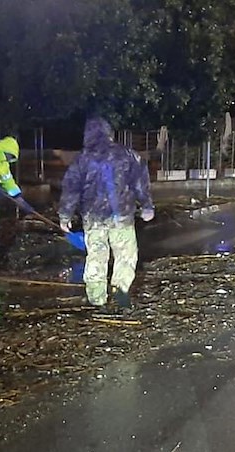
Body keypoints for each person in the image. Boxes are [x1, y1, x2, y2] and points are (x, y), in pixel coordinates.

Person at [59, 117, 154, 309]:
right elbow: (140, 182)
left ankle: (97, 299)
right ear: (109, 133)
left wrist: (65, 216)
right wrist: (147, 206)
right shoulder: (127, 155)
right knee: (125, 255)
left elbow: (71, 189)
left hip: (93, 218)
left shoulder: (81, 159)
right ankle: (120, 291)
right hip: (122, 216)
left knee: (96, 255)